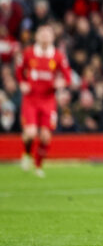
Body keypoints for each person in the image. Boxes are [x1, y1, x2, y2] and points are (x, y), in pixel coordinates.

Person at [16, 24, 72, 177]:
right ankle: (27, 154)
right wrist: (22, 82)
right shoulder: (29, 53)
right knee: (31, 133)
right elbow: (19, 71)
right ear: (37, 36)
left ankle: (38, 166)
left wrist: (62, 83)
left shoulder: (58, 56)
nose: (45, 37)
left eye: (48, 34)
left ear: (53, 37)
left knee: (46, 136)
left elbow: (68, 76)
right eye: (42, 34)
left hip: (48, 100)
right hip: (31, 99)